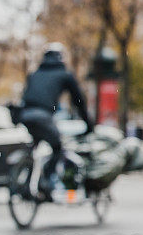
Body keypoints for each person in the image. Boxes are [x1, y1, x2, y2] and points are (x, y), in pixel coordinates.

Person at [20, 43, 94, 198]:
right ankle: (46, 181)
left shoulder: (34, 74)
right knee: (58, 147)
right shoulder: (64, 74)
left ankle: (26, 176)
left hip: (25, 115)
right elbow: (78, 100)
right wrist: (88, 123)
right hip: (43, 115)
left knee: (36, 144)